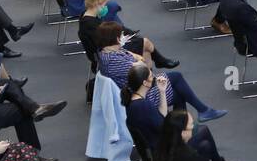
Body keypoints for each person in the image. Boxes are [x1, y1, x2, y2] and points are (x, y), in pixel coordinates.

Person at [94, 22, 226, 121]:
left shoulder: (106, 53)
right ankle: (198, 114)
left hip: (135, 88)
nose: (123, 37)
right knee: (177, 80)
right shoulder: (114, 60)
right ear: (116, 39)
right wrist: (138, 59)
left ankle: (185, 122)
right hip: (141, 94)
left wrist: (137, 59)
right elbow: (143, 68)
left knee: (179, 89)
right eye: (121, 35)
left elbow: (138, 60)